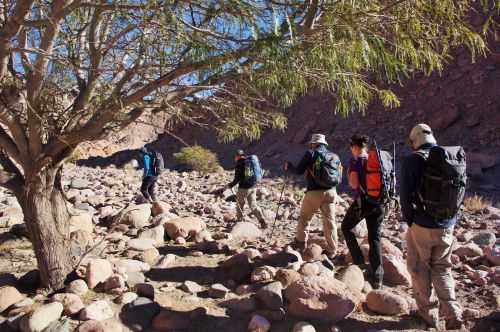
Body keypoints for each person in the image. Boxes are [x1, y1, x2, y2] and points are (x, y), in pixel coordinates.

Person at [401, 124, 463, 330]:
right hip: (447, 223)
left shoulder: (413, 159)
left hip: (422, 224)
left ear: (414, 140)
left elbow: (405, 195)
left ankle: (427, 314)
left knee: (419, 267)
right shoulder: (448, 158)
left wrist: (411, 220)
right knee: (442, 267)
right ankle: (452, 312)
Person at [341, 134, 386, 289]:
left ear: (354, 147)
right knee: (374, 237)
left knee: (346, 227)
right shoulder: (376, 160)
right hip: (380, 203)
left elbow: (354, 185)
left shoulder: (356, 160)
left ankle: (359, 263)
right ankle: (378, 277)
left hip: (364, 202)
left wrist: (349, 175)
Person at [284, 134, 340, 257]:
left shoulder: (311, 153)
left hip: (314, 192)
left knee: (305, 218)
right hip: (331, 192)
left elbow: (299, 171)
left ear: (313, 144)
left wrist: (289, 167)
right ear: (324, 144)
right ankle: (332, 250)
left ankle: (300, 243)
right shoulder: (334, 156)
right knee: (330, 222)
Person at [226, 150, 267, 228]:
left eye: (235, 157)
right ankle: (262, 220)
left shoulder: (239, 164)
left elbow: (237, 179)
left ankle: (239, 222)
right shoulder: (250, 161)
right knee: (253, 205)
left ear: (237, 156)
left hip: (243, 188)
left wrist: (230, 185)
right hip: (253, 187)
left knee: (239, 205)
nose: (234, 158)